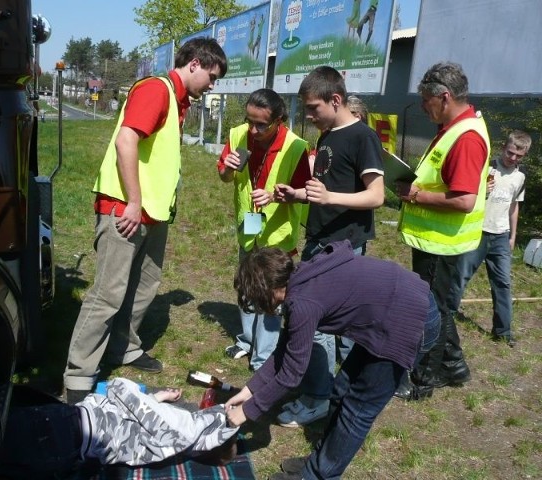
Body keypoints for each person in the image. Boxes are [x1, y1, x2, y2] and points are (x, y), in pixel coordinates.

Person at [63, 38, 227, 404]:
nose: (212, 85)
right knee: (107, 294)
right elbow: (126, 142)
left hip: (153, 214)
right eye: (212, 77)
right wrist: (133, 202)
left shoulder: (178, 100)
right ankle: (78, 377)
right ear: (196, 64)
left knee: (144, 286)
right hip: (126, 210)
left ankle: (124, 348)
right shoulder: (157, 90)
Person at [224, 242, 440, 480]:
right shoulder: (300, 279)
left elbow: (291, 374)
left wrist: (248, 411)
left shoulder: (303, 303)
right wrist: (249, 391)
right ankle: (320, 461)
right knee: (341, 391)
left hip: (410, 323)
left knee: (357, 410)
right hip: (391, 314)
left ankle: (316, 476)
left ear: (267, 290)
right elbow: (283, 352)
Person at [273, 65, 384, 426]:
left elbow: (376, 196)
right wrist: (298, 194)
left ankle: (319, 397)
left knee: (317, 323)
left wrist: (327, 196)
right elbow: (324, 188)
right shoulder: (328, 135)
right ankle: (336, 392)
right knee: (332, 324)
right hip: (320, 242)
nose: (308, 115)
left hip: (343, 247)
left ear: (336, 100)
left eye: (313, 108)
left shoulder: (362, 137)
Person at [395, 62, 490, 400]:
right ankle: (454, 365)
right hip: (438, 240)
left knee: (430, 311)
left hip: (442, 244)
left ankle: (424, 380)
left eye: (426, 100)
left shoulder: (465, 137)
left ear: (445, 96)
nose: (423, 107)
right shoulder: (458, 127)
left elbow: (464, 199)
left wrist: (416, 195)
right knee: (441, 307)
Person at [218, 88, 310, 371]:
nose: (254, 130)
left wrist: (275, 195)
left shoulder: (296, 147)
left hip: (277, 232)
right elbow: (224, 176)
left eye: (262, 124)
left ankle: (263, 357)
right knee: (247, 283)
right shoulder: (237, 135)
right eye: (249, 121)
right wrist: (228, 169)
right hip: (249, 225)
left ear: (279, 120)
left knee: (272, 295)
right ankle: (246, 341)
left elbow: (304, 192)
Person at [0, 377, 239, 478]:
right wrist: (156, 399)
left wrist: (223, 417)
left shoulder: (183, 430)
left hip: (64, 430)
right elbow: (141, 420)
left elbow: (120, 388)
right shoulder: (177, 440)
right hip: (67, 437)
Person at [447, 130, 531, 347]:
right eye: (510, 152)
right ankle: (444, 319)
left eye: (518, 156)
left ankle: (503, 331)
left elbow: (514, 206)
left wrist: (513, 236)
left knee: (503, 283)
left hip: (501, 236)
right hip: (477, 231)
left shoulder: (520, 177)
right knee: (461, 276)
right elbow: (467, 196)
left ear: (524, 156)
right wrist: (482, 188)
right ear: (504, 146)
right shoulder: (487, 167)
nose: (512, 158)